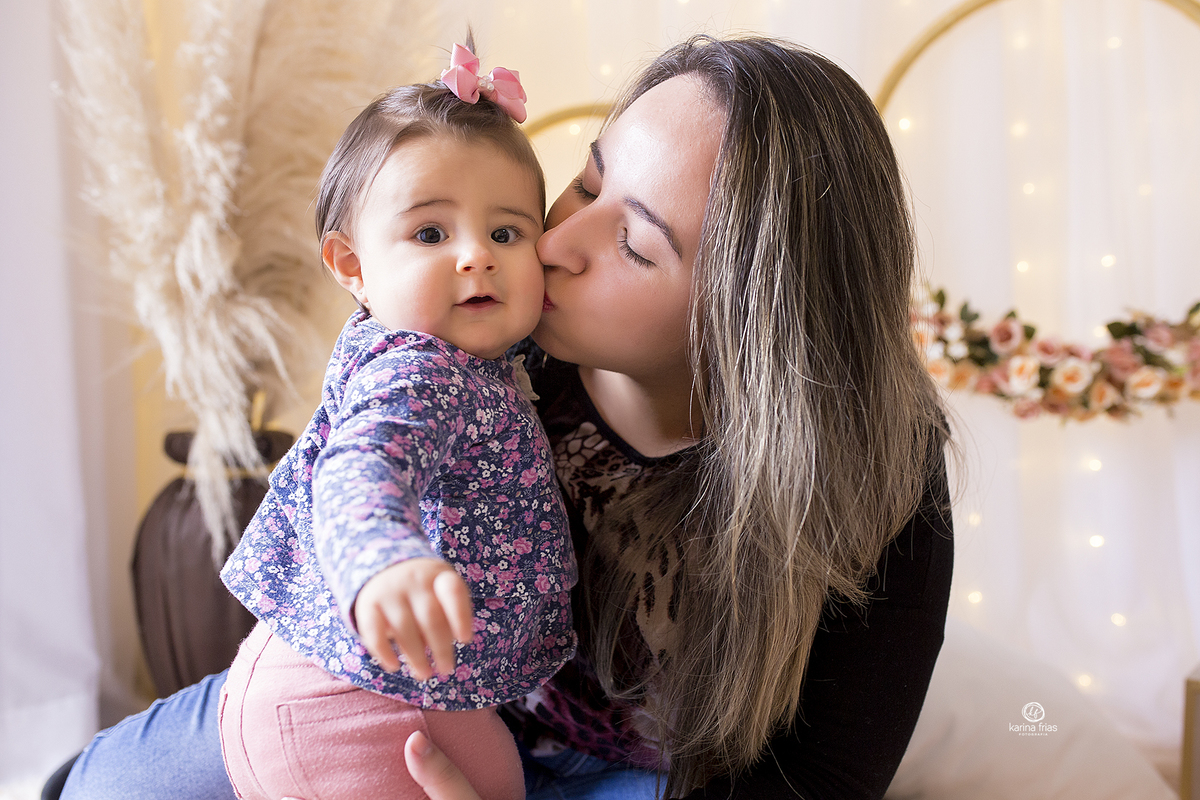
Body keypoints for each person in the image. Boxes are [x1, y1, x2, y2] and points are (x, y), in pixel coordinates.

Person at [58, 33, 953, 800]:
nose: (552, 243)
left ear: (745, 326)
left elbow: (821, 779)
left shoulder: (876, 472)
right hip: (410, 699)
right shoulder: (473, 340)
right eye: (586, 179)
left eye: (633, 243)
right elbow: (365, 461)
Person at [217, 41, 574, 800]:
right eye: (431, 234)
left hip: (367, 681)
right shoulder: (421, 372)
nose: (477, 256)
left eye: (507, 233)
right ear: (352, 266)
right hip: (346, 701)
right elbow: (363, 463)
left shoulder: (468, 360)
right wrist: (383, 556)